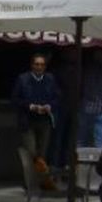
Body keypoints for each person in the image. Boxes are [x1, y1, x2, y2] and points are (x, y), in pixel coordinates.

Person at [10, 53, 60, 188]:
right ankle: (31, 181)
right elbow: (15, 100)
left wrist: (49, 106)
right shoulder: (23, 79)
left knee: (43, 153)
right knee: (31, 151)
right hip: (28, 120)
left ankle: (41, 181)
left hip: (45, 120)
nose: (39, 67)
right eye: (36, 64)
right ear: (32, 65)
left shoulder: (50, 79)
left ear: (45, 66)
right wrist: (31, 106)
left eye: (42, 64)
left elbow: (57, 98)